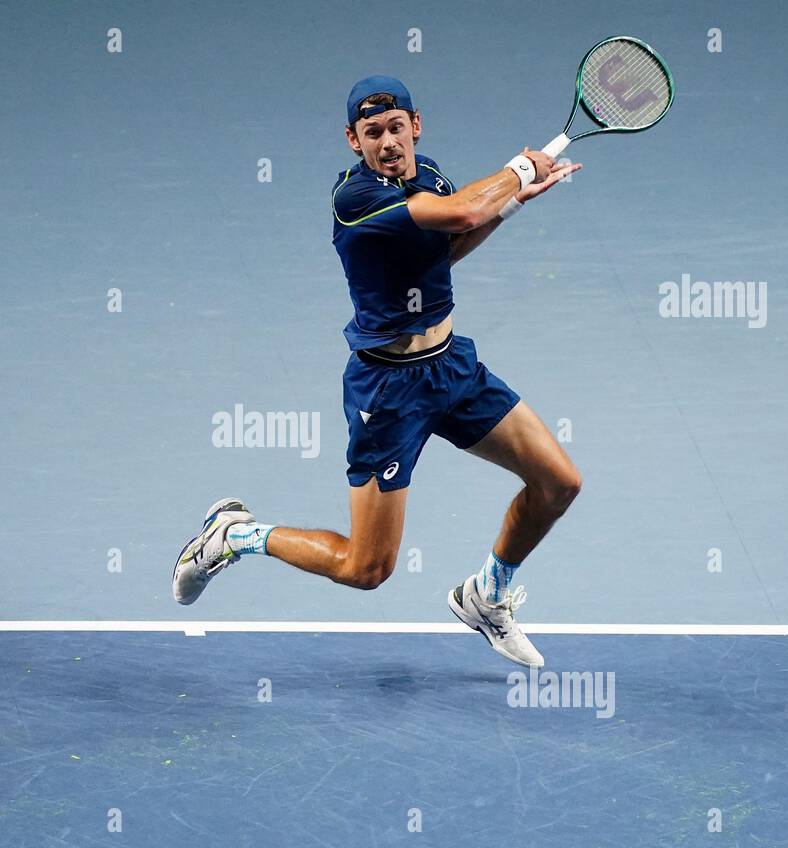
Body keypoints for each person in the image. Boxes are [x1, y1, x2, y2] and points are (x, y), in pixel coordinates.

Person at [172, 75, 582, 667]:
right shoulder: (354, 198)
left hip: (452, 369)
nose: (387, 142)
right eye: (372, 133)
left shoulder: (429, 178)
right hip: (388, 393)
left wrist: (512, 201)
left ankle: (487, 597)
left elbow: (450, 241)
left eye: (396, 128)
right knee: (365, 569)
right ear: (352, 140)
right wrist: (518, 170)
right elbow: (466, 209)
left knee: (558, 483)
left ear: (416, 126)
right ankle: (234, 535)